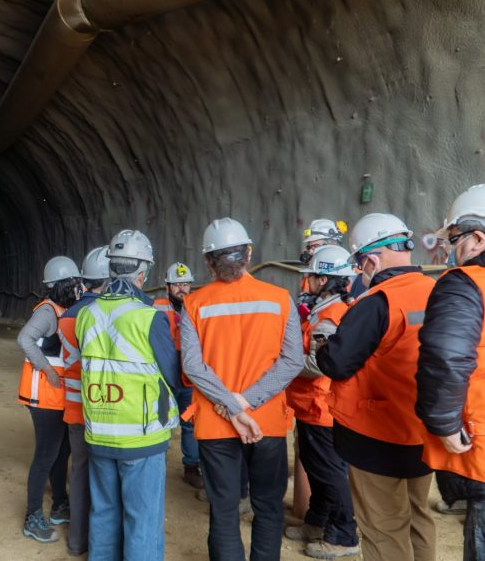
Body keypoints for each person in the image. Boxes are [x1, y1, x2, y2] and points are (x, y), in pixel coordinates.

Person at [181, 217, 303, 560]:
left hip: (215, 423)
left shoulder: (194, 304)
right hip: (266, 422)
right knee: (267, 505)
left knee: (223, 508)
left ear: (208, 262)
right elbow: (292, 361)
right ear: (249, 253)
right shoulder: (280, 299)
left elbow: (192, 365)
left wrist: (231, 406)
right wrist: (246, 403)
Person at [318, 213, 436, 561]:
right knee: (418, 518)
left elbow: (337, 363)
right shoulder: (440, 290)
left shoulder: (377, 303)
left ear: (371, 259)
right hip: (425, 430)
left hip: (378, 437)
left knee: (384, 527)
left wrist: (323, 346)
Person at [74, 229, 180, 561]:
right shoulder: (148, 317)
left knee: (103, 514)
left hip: (99, 432)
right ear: (143, 271)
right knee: (142, 519)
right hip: (141, 435)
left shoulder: (85, 315)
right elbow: (172, 374)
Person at [416, 184, 485, 560]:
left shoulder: (464, 285)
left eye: (455, 238)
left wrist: (442, 423)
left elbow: (445, 356)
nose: (450, 247)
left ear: (477, 239)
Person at [284, 245, 360, 558]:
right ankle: (317, 521)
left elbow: (319, 363)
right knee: (318, 469)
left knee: (328, 472)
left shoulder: (329, 317)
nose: (308, 282)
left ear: (325, 279)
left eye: (313, 276)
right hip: (313, 405)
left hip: (321, 406)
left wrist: (286, 361)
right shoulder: (328, 309)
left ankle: (344, 535)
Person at [17, 255, 81, 543]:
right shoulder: (47, 312)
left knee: (61, 452)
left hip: (58, 398)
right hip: (43, 396)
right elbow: (24, 339)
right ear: (59, 286)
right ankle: (32, 517)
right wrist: (45, 368)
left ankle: (59, 505)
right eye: (73, 283)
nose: (77, 288)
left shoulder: (63, 309)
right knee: (46, 455)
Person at [57, 246, 110, 557]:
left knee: (78, 473)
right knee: (104, 478)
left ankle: (77, 541)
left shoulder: (67, 316)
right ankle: (102, 545)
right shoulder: (106, 314)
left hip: (75, 408)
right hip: (105, 409)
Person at [153, 263, 203, 489]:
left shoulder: (198, 307)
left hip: (188, 378)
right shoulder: (156, 307)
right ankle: (156, 465)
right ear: (167, 286)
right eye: (177, 284)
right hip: (163, 378)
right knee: (161, 422)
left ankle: (191, 467)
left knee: (190, 424)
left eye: (186, 284)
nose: (182, 289)